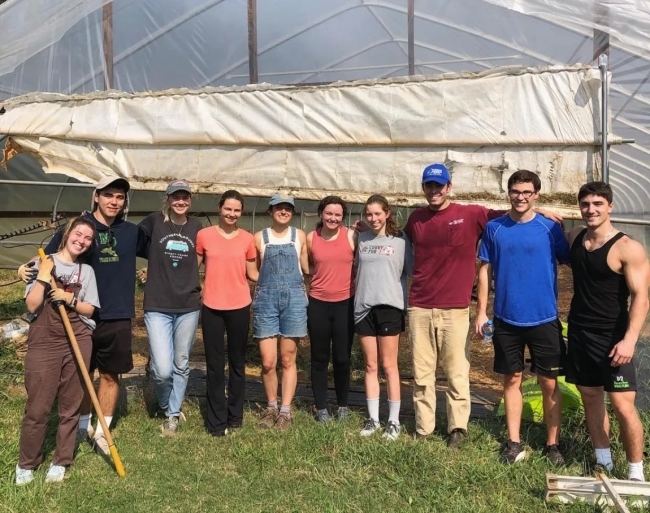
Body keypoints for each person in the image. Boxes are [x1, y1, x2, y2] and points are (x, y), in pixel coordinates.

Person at [404, 163, 562, 448]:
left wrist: (542, 213)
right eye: (429, 185)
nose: (434, 190)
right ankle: (423, 428)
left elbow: (510, 214)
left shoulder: (471, 214)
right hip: (420, 305)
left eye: (439, 186)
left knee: (457, 370)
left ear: (449, 187)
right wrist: (364, 227)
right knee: (422, 372)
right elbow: (398, 240)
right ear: (424, 188)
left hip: (455, 306)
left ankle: (457, 428)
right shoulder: (415, 219)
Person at [18, 176, 147, 456]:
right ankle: (81, 426)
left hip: (117, 314)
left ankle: (102, 432)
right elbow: (49, 257)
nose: (114, 201)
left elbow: (162, 257)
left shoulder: (132, 232)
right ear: (96, 196)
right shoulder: (79, 228)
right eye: (109, 195)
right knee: (82, 374)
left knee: (111, 375)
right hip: (81, 313)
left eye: (120, 197)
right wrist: (25, 267)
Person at [475, 170, 569, 465]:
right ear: (508, 193)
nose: (521, 196)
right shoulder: (495, 228)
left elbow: (571, 257)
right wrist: (481, 312)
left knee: (549, 383)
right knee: (511, 379)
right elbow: (484, 270)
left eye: (527, 192)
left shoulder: (549, 228)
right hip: (506, 319)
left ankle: (553, 445)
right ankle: (513, 442)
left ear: (537, 194)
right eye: (516, 191)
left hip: (544, 319)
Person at [565, 181, 650, 481]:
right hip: (579, 331)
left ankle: (636, 472)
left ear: (610, 207)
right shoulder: (575, 236)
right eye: (586, 204)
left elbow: (642, 296)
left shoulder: (628, 247)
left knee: (623, 405)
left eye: (598, 204)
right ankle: (604, 463)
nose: (591, 210)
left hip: (614, 338)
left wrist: (629, 340)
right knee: (590, 396)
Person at [15, 217, 100, 485]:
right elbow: (31, 306)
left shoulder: (86, 271)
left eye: (87, 238)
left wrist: (70, 299)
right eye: (78, 234)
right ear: (67, 234)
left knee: (70, 404)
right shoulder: (43, 261)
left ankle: (61, 460)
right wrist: (42, 276)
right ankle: (27, 463)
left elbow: (91, 310)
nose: (82, 241)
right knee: (38, 407)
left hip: (78, 338)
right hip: (44, 341)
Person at [138, 180, 202, 436]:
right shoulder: (154, 222)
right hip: (157, 304)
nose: (180, 201)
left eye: (185, 197)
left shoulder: (197, 227)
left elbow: (206, 255)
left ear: (190, 200)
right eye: (176, 197)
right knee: (162, 369)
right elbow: (134, 241)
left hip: (188, 304)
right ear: (167, 199)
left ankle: (172, 414)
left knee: (181, 362)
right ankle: (166, 403)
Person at [197, 190, 258, 437]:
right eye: (228, 209)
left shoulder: (247, 239)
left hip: (240, 306)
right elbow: (193, 269)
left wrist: (279, 277)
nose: (232, 214)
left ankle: (235, 416)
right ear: (219, 208)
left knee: (237, 363)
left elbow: (253, 273)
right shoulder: (204, 236)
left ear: (241, 212)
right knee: (214, 365)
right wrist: (200, 288)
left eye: (236, 210)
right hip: (212, 306)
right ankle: (216, 421)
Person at [355, 194, 411, 441]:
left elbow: (410, 271)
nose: (373, 218)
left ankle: (393, 421)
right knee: (370, 365)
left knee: (389, 366)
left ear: (387, 213)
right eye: (368, 214)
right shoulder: (361, 238)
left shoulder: (400, 241)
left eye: (378, 213)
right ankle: (373, 419)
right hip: (363, 308)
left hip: (390, 307)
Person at [253, 193, 309, 430]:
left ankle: (285, 411)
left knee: (287, 358)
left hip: (294, 300)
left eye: (288, 208)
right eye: (279, 208)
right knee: (268, 361)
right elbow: (253, 271)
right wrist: (268, 287)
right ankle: (270, 407)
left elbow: (306, 268)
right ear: (270, 211)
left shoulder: (300, 236)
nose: (283, 211)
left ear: (292, 212)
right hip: (266, 300)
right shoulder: (259, 237)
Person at [306, 196, 356, 423]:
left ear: (342, 217)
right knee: (319, 357)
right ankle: (321, 406)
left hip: (345, 303)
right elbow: (307, 267)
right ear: (321, 214)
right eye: (329, 214)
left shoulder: (351, 236)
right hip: (318, 303)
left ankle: (343, 405)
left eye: (337, 215)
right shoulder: (311, 238)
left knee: (342, 358)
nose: (332, 218)